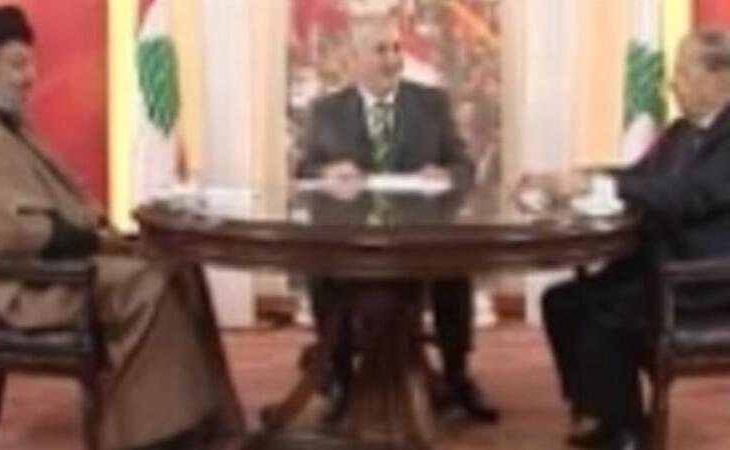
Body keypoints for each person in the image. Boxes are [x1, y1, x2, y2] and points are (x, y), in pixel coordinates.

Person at [0, 7, 239, 450]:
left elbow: (60, 200)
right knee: (147, 283)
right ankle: (151, 437)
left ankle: (202, 420)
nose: (30, 77)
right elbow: (1, 232)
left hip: (42, 265)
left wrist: (102, 234)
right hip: (4, 287)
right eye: (18, 64)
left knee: (181, 268)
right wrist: (95, 239)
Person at [297, 13, 498, 423]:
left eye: (395, 49)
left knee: (454, 267)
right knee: (320, 269)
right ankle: (340, 378)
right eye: (380, 51)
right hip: (354, 243)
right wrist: (326, 173)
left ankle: (457, 377)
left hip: (420, 240)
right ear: (354, 58)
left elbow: (464, 166)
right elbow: (304, 170)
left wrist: (447, 174)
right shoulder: (326, 111)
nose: (392, 60)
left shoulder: (431, 104)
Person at [535, 29, 730, 450]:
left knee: (604, 313)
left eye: (684, 72)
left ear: (722, 78)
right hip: (658, 266)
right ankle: (601, 413)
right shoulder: (681, 131)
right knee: (561, 302)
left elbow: (687, 195)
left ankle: (628, 434)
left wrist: (604, 187)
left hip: (701, 282)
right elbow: (640, 176)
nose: (672, 82)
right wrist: (583, 177)